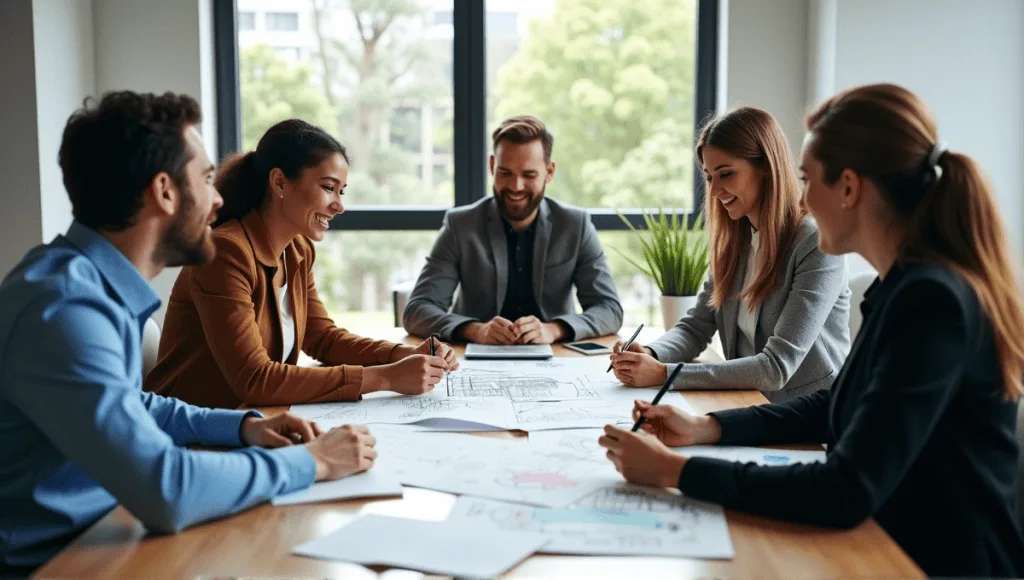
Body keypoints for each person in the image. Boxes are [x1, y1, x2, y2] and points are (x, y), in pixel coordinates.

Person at [598, 84, 1024, 577]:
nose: (800, 196)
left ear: (848, 186)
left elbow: (845, 489)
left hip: (929, 562)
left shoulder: (934, 302)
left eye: (806, 178)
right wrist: (708, 427)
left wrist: (675, 472)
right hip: (888, 539)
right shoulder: (902, 287)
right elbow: (838, 401)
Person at [0, 92, 378, 576]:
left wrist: (242, 427)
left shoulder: (88, 287)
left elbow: (131, 404)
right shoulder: (65, 310)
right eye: (204, 179)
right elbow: (167, 490)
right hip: (53, 562)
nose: (219, 197)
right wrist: (313, 462)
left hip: (103, 534)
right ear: (164, 191)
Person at [144, 119, 458, 409]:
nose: (339, 205)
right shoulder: (225, 252)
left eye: (341, 191)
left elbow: (322, 338)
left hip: (251, 421)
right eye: (328, 187)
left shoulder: (297, 250)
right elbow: (255, 380)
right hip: (191, 435)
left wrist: (401, 354)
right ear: (280, 182)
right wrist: (386, 377)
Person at [610, 107, 850, 403]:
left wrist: (664, 374)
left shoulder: (814, 244)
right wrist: (650, 353)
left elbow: (776, 367)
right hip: (747, 402)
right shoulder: (736, 244)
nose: (714, 192)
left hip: (810, 417)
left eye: (726, 174)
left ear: (767, 168)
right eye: (710, 177)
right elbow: (696, 328)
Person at [402, 115, 623, 344]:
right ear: (491, 166)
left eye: (529, 175)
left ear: (549, 172)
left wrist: (554, 329)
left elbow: (610, 309)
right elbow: (417, 311)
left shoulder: (575, 225)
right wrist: (475, 330)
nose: (516, 186)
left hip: (557, 358)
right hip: (473, 360)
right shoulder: (460, 225)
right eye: (505, 173)